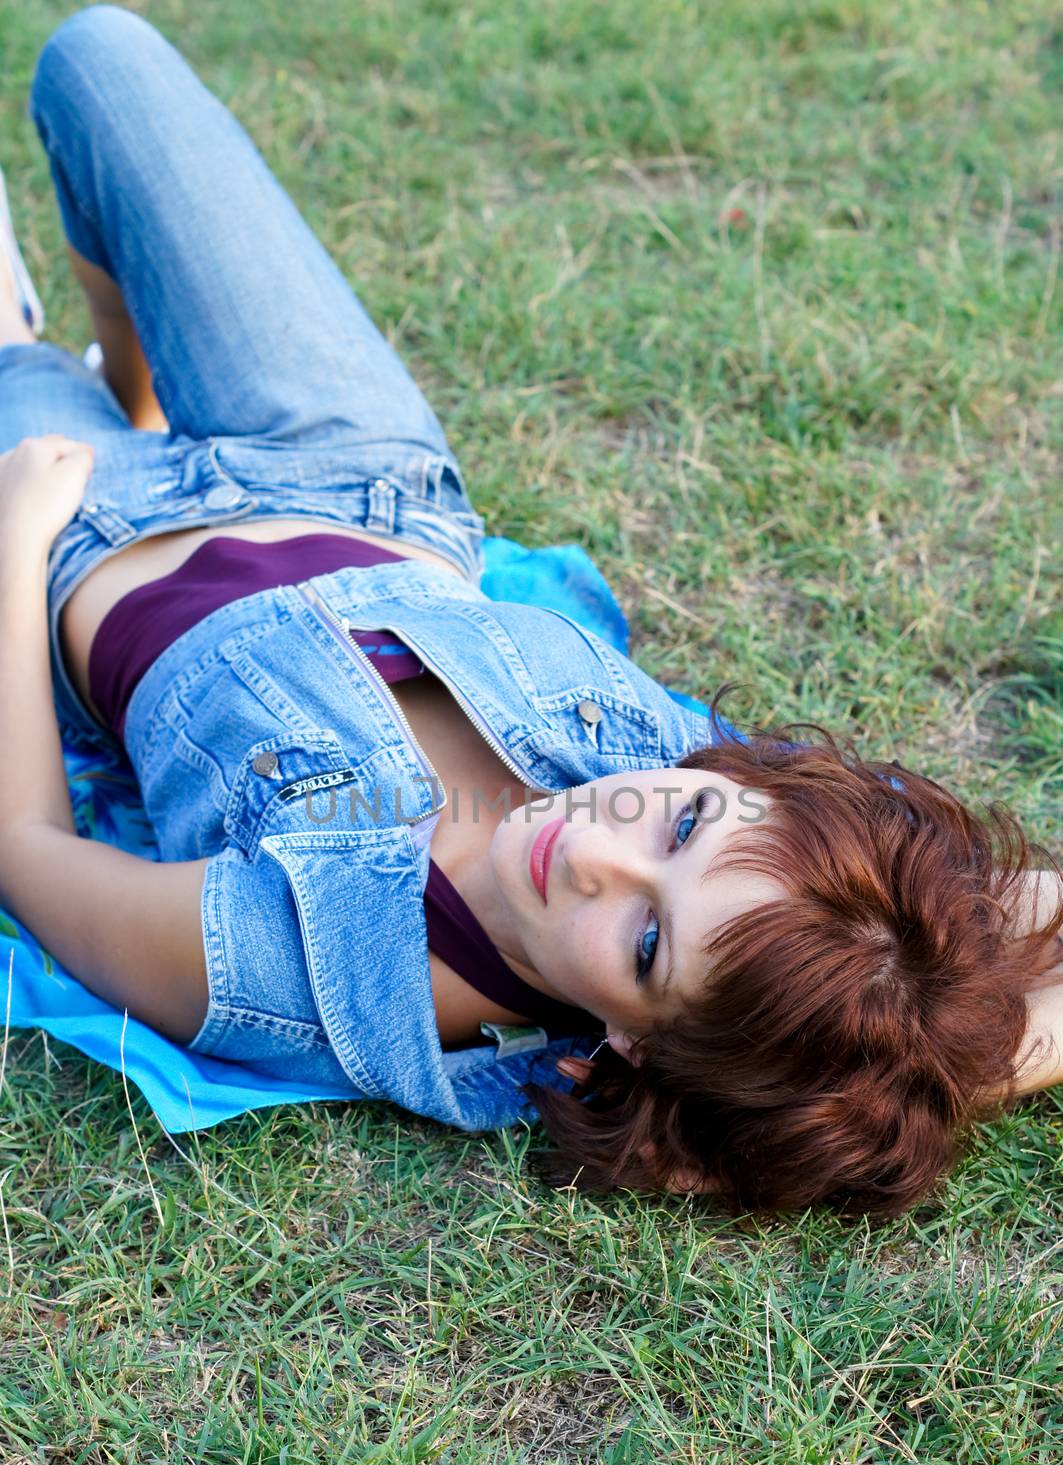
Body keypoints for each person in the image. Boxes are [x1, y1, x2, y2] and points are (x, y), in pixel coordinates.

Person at [0, 6, 1059, 1218]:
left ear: (636, 1048)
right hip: (349, 466)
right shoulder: (775, 864)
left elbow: (28, 856)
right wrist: (949, 1061)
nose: (598, 849)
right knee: (102, 59)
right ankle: (115, 381)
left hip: (92, 540)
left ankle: (28, 359)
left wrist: (17, 535)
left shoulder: (319, 968)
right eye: (682, 825)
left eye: (646, 944)